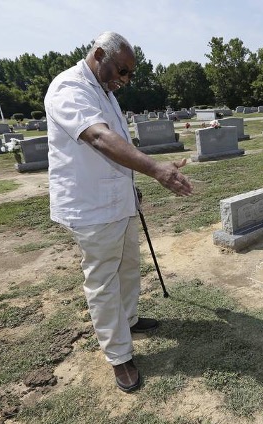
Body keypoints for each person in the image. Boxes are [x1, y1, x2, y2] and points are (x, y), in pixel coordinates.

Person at [45, 31, 193, 393]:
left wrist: (133, 181)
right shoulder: (69, 87)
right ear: (99, 54)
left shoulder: (105, 91)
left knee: (128, 267)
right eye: (121, 70)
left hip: (120, 199)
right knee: (103, 283)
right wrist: (156, 169)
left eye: (129, 74)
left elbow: (120, 146)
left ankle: (130, 319)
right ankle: (118, 355)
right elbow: (98, 138)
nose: (124, 80)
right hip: (91, 205)